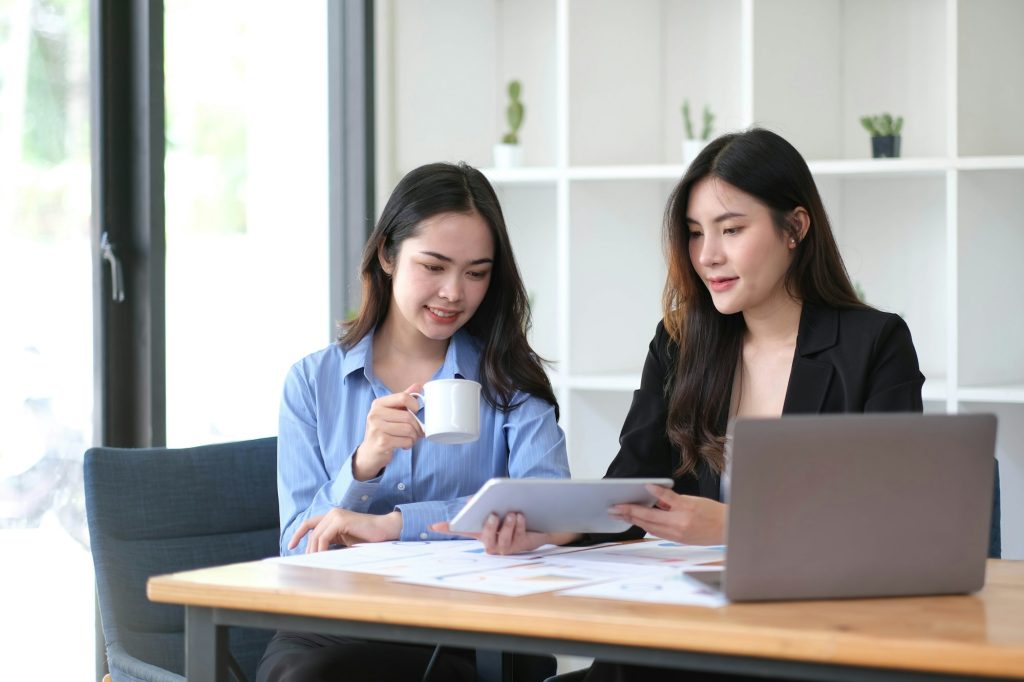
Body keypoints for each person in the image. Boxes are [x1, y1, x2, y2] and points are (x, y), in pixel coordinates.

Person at [435, 128, 925, 681]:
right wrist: (554, 531)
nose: (707, 256)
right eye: (694, 234)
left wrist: (734, 526)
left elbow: (888, 525)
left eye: (732, 229)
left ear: (796, 227)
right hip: (679, 636)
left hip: (810, 641)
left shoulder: (874, 344)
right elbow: (632, 484)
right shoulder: (679, 344)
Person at [257, 161, 569, 682]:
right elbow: (297, 544)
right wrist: (362, 466)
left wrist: (397, 525)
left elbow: (548, 507)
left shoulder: (509, 379)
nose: (454, 292)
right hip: (333, 625)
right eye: (434, 266)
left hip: (470, 625)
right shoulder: (312, 382)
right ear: (387, 255)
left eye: (476, 273)